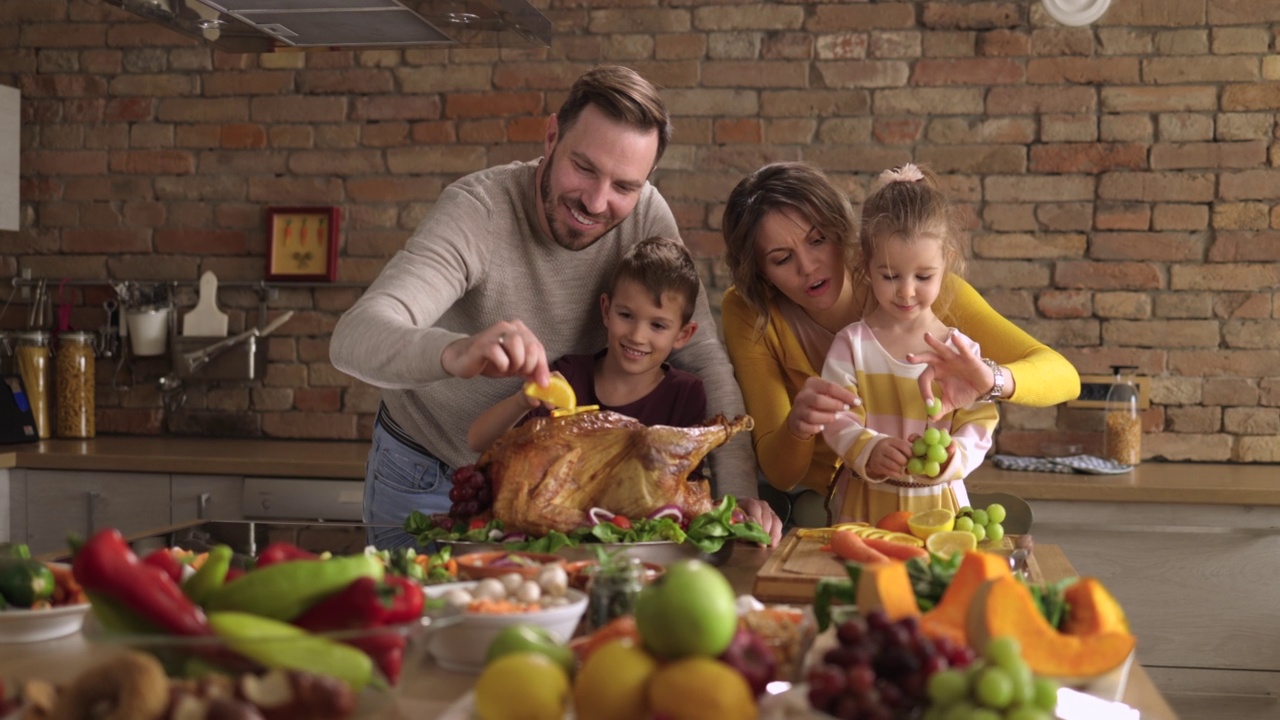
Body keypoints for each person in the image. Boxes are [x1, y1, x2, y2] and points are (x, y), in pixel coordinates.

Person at [330, 66, 781, 549]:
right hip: (433, 472)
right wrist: (455, 351)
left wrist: (738, 501)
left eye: (625, 186)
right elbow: (354, 337)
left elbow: (703, 357)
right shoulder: (478, 211)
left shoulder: (647, 213)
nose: (596, 201)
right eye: (584, 168)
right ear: (551, 136)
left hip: (556, 490)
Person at [720, 161, 1080, 526]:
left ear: (842, 233)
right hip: (833, 502)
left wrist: (990, 381)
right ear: (759, 272)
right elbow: (782, 475)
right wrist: (799, 427)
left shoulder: (926, 291)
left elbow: (1062, 375)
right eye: (781, 259)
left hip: (930, 492)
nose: (808, 266)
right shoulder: (750, 310)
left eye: (818, 240)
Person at [820, 164, 998, 524]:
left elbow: (980, 420)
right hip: (864, 508)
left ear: (946, 263)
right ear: (866, 267)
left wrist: (955, 456)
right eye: (889, 276)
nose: (906, 290)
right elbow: (836, 418)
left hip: (940, 509)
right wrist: (869, 448)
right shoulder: (851, 345)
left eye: (923, 276)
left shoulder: (960, 351)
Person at [467, 236, 707, 453]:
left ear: (683, 335)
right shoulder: (569, 376)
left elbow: (686, 485)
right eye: (626, 315)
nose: (637, 336)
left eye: (658, 326)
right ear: (606, 310)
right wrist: (522, 401)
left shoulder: (686, 395)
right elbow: (477, 443)